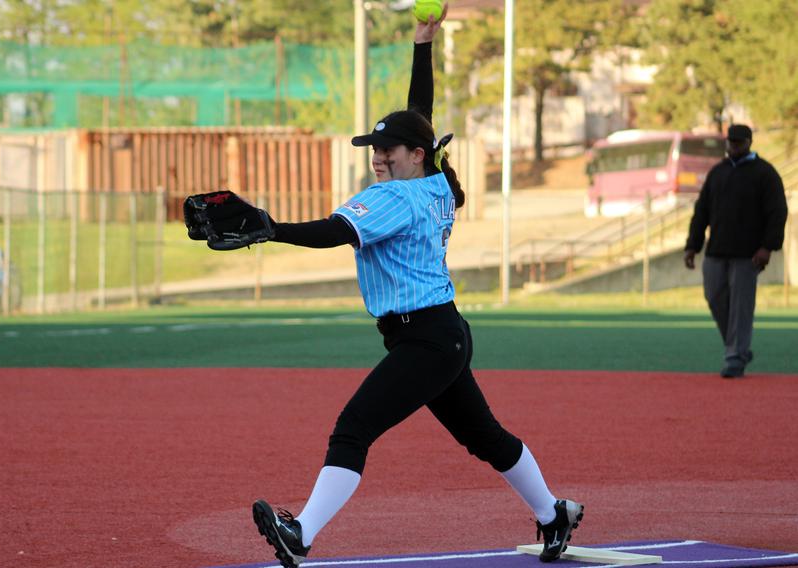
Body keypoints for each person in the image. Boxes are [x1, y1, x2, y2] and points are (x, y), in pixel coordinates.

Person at [248, 9, 583, 566]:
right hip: (440, 334)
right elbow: (419, 117)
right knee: (486, 438)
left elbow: (335, 231)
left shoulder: (394, 198)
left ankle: (301, 533)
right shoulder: (434, 186)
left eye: (388, 151)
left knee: (353, 429)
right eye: (374, 150)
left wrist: (271, 229)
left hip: (427, 339)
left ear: (416, 156)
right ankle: (555, 515)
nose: (377, 157)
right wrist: (422, 46)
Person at [684, 124, 788, 379]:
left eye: (739, 143)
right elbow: (702, 212)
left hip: (748, 253)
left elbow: (777, 212)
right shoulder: (718, 172)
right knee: (714, 296)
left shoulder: (765, 173)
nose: (734, 147)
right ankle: (738, 348)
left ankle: (734, 357)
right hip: (716, 249)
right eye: (731, 142)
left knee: (741, 306)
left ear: (749, 142)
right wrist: (692, 245)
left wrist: (767, 247)